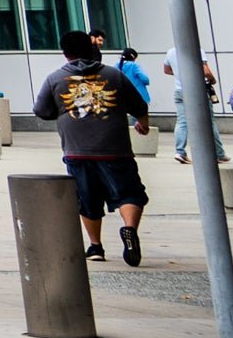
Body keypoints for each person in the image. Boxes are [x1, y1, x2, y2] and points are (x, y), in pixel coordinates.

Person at [37, 29, 152, 266]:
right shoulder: (114, 75)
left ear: (65, 53)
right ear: (92, 49)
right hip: (116, 149)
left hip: (76, 151)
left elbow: (42, 110)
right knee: (129, 193)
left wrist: (62, 111)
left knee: (87, 200)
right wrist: (143, 124)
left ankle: (96, 247)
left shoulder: (55, 78)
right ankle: (129, 228)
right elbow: (139, 106)